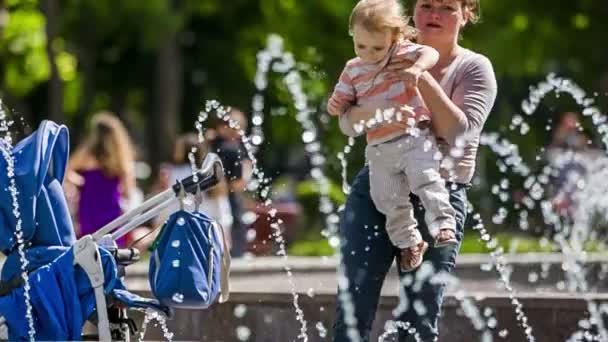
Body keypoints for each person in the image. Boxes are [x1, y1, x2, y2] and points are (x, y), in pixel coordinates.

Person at [333, 0, 497, 341]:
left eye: (447, 7)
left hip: (438, 192)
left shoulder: (474, 68)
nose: (433, 15)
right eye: (426, 5)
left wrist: (417, 74)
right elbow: (348, 123)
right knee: (352, 311)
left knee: (418, 319)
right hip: (378, 187)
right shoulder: (376, 50)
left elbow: (457, 131)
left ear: (466, 14)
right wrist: (375, 109)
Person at [327, 0, 458, 273]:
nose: (369, 54)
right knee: (385, 197)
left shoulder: (403, 54)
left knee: (426, 179)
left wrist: (417, 69)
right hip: (379, 146)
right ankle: (410, 242)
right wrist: (335, 105)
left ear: (394, 38)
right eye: (361, 46)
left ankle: (444, 224)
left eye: (377, 47)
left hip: (414, 137)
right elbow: (342, 101)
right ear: (353, 35)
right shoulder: (353, 69)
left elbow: (430, 53)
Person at [65, 111, 136, 247]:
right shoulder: (121, 157)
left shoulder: (88, 153)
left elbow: (67, 170)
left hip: (89, 205)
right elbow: (127, 191)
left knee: (90, 246)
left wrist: (81, 183)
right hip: (111, 206)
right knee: (112, 244)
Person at [155, 133, 234, 239]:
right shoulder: (210, 174)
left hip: (179, 229)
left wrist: (158, 226)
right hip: (207, 231)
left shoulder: (170, 173)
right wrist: (225, 236)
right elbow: (222, 208)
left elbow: (165, 205)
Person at [209, 108, 253, 257]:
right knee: (236, 223)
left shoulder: (210, 144)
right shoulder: (232, 149)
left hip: (208, 196)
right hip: (228, 195)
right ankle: (236, 254)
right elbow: (238, 182)